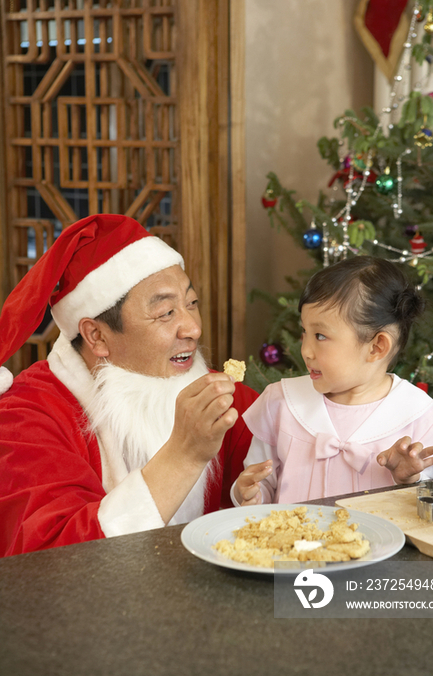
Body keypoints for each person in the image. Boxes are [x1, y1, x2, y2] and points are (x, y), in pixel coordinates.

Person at [0, 214, 257, 556]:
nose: (192, 328)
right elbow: (52, 559)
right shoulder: (25, 417)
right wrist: (184, 455)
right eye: (166, 313)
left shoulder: (212, 392)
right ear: (97, 336)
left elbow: (285, 442)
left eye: (191, 304)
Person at [232, 255, 433, 507]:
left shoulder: (418, 414)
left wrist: (408, 477)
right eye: (304, 332)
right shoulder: (281, 402)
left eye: (320, 335)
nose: (306, 350)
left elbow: (431, 504)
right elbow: (259, 481)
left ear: (376, 347)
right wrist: (250, 493)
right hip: (289, 545)